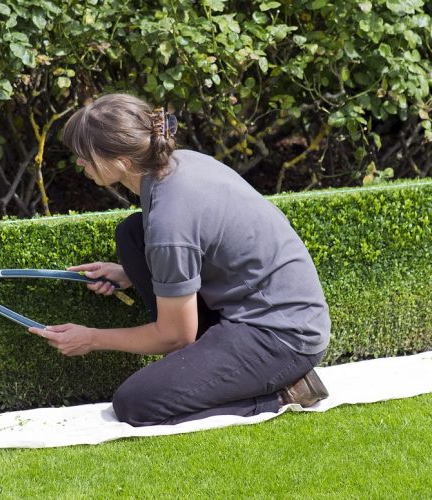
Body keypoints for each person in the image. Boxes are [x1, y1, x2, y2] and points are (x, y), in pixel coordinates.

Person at [28, 93, 330, 426]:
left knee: (135, 403)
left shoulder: (169, 220)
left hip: (282, 335)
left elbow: (176, 336)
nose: (80, 164)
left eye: (85, 157)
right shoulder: (177, 163)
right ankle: (202, 369)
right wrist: (127, 273)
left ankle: (285, 392)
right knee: (132, 235)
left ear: (122, 162)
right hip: (262, 308)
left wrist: (92, 338)